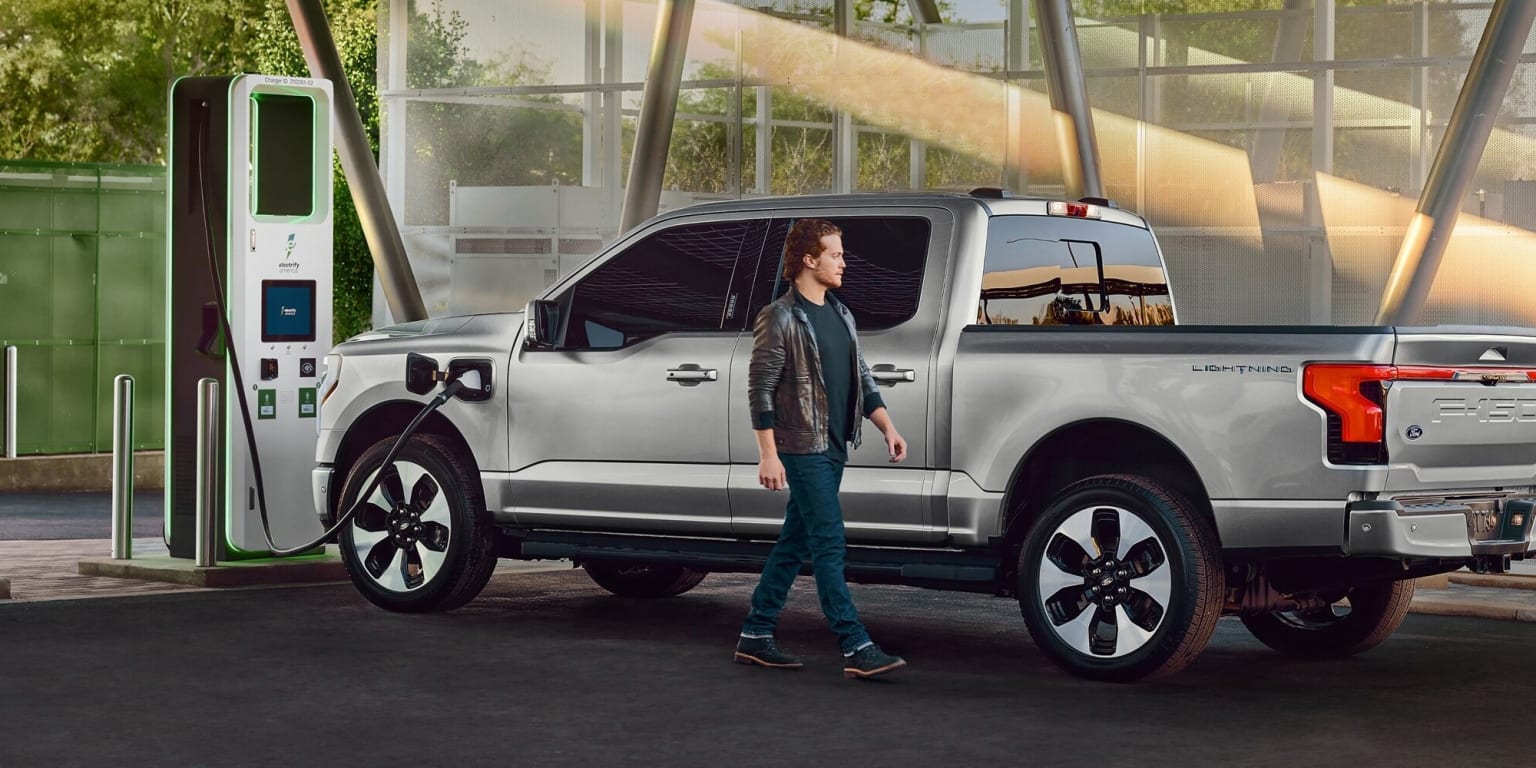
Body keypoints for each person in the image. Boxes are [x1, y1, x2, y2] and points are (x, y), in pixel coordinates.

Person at [733, 218, 910, 680]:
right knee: (829, 543)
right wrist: (768, 454)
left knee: (794, 543)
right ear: (809, 260)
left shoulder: (840, 313)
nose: (843, 262)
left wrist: (887, 426)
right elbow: (761, 391)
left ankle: (755, 633)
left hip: (834, 447)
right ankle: (855, 645)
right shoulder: (780, 317)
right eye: (835, 254)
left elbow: (862, 378)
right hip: (801, 446)